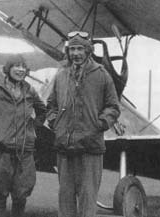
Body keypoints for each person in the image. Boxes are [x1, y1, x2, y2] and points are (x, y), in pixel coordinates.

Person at [47, 31, 120, 217]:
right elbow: (51, 104)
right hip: (65, 146)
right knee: (65, 197)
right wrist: (55, 122)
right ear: (68, 51)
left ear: (88, 50)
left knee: (88, 199)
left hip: (90, 147)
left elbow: (113, 107)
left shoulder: (102, 75)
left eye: (80, 48)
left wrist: (100, 123)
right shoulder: (61, 75)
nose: (76, 53)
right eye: (72, 49)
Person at [0, 54, 47, 217]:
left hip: (24, 152)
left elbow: (42, 112)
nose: (20, 70)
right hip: (0, 152)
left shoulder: (30, 92)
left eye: (23, 66)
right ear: (8, 69)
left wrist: (31, 129)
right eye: (16, 66)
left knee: (21, 196)